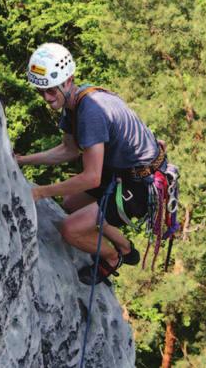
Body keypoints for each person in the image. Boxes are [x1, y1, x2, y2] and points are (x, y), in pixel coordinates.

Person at [16, 43, 167, 285]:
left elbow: (91, 177)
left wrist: (40, 192)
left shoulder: (90, 112)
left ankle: (112, 256)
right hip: (123, 172)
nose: (46, 98)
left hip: (142, 183)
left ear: (68, 81)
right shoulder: (73, 104)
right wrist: (24, 161)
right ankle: (126, 247)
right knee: (70, 202)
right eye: (40, 91)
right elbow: (69, 149)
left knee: (70, 230)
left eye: (51, 91)